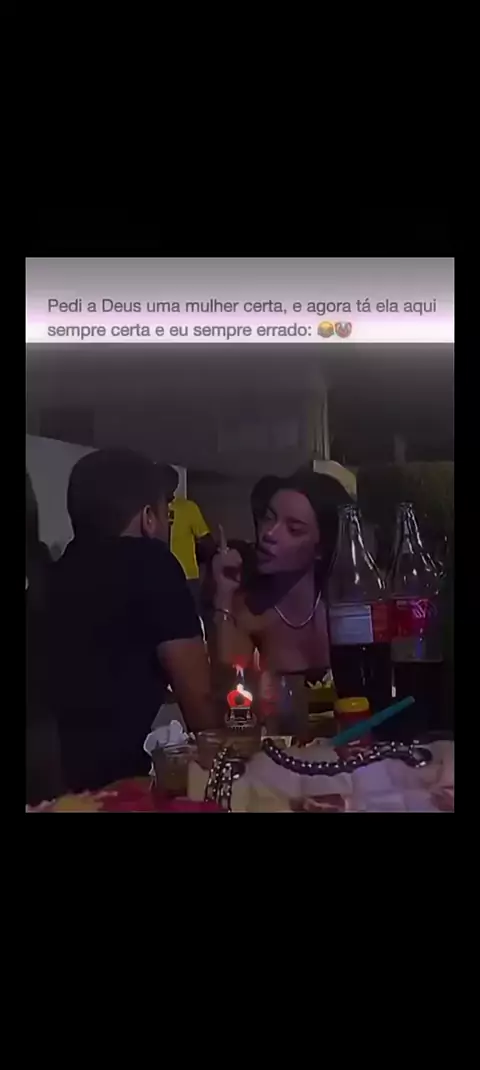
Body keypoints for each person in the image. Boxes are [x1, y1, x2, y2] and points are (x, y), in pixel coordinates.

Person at [41, 449, 218, 792]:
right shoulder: (151, 563)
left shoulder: (56, 573)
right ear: (148, 517)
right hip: (122, 780)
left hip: (61, 782)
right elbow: (197, 695)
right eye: (166, 515)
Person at [212, 472, 353, 676]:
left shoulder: (347, 609)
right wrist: (223, 597)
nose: (269, 534)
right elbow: (228, 685)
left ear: (322, 548)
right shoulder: (251, 613)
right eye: (268, 518)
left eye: (293, 529)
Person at [160, 466, 216, 608]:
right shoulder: (149, 509)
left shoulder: (188, 508)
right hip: (160, 576)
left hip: (186, 577)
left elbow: (207, 542)